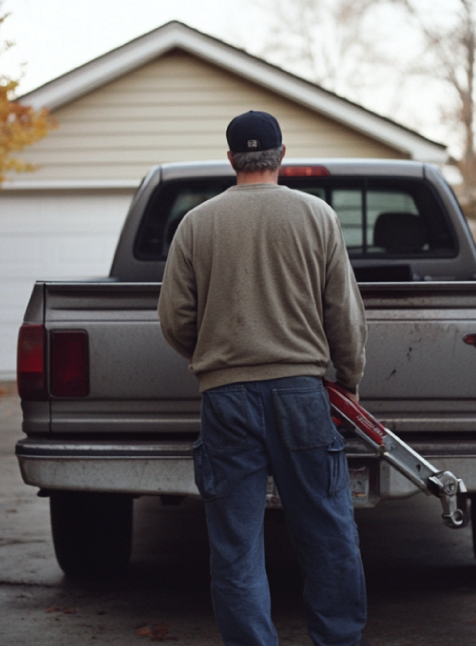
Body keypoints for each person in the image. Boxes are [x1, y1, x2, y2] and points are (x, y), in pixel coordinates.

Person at [158, 110, 368, 646]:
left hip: (224, 399)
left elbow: (174, 319)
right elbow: (342, 311)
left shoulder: (196, 223)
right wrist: (349, 377)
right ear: (281, 156)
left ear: (230, 159)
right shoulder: (315, 216)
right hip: (302, 394)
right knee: (327, 533)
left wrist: (215, 358)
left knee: (235, 545)